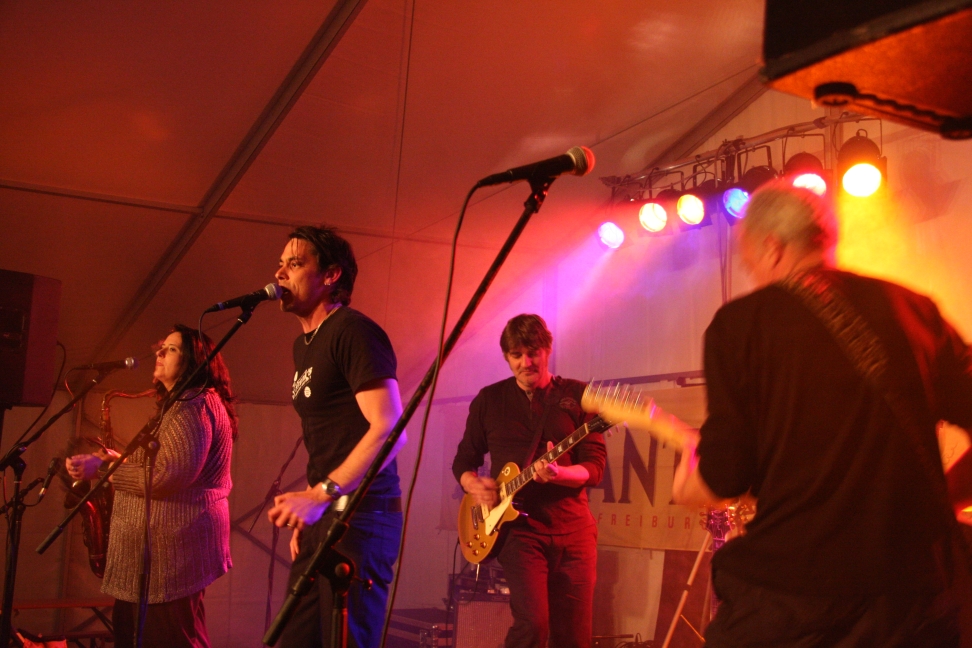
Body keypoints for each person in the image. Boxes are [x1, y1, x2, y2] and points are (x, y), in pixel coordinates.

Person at [671, 181, 972, 646]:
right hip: (916, 598)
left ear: (772, 247)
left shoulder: (741, 325)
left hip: (799, 598)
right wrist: (944, 499)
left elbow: (725, 476)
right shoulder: (913, 309)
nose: (752, 274)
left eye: (749, 262)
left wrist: (687, 484)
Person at [266, 226, 406, 648]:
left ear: (330, 275)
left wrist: (320, 494)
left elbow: (389, 428)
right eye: (280, 264)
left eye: (295, 264)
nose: (280, 273)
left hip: (362, 518)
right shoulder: (303, 345)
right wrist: (315, 510)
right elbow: (332, 436)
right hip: (328, 515)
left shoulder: (352, 331)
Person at [66, 324, 237, 648]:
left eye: (171, 349)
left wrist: (105, 468)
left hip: (169, 560)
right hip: (160, 560)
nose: (159, 353)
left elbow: (168, 476)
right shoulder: (186, 404)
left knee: (169, 639)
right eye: (162, 346)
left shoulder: (193, 404)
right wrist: (118, 459)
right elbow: (168, 466)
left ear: (194, 360)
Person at [452, 314, 606, 648]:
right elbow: (464, 460)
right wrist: (472, 484)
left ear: (547, 349)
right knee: (533, 625)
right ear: (506, 357)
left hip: (574, 531)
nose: (526, 362)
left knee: (575, 636)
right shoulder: (489, 400)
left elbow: (595, 468)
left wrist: (560, 474)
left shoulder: (578, 394)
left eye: (533, 352)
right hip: (520, 532)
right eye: (516, 355)